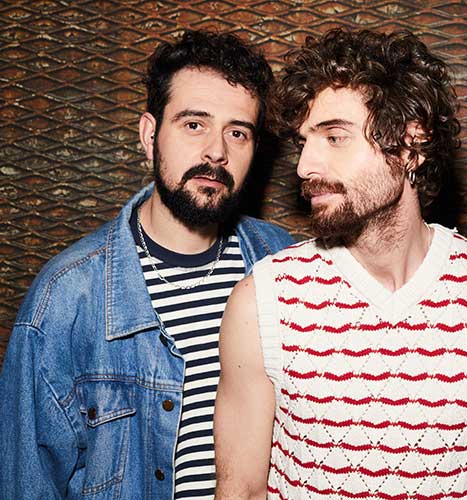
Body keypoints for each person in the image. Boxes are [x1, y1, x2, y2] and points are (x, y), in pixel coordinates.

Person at [213, 29, 467, 500]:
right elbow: (241, 492)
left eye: (334, 137)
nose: (305, 166)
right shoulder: (263, 302)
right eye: (304, 141)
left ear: (411, 145)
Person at [0, 30, 293, 499]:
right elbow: (25, 483)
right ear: (149, 135)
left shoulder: (283, 265)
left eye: (237, 132)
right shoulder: (68, 297)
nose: (217, 151)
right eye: (194, 124)